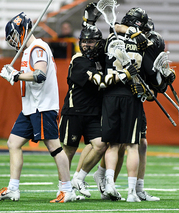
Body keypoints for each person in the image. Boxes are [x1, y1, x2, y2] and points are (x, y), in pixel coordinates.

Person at [0, 12, 77, 203]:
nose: (12, 40)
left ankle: (67, 189)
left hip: (42, 106)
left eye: (14, 34)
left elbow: (40, 74)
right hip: (30, 107)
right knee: (13, 143)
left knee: (54, 147)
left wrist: (16, 75)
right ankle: (13, 189)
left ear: (23, 30)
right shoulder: (29, 49)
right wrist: (16, 73)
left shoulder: (38, 47)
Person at [100, 7, 151, 202]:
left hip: (111, 93)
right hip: (131, 94)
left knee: (112, 145)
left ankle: (110, 185)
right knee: (131, 145)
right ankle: (131, 192)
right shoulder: (143, 43)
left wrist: (122, 30)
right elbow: (148, 70)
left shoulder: (112, 39)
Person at [59, 24, 107, 198]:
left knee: (101, 145)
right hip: (74, 111)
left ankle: (79, 178)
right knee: (68, 151)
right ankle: (63, 189)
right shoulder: (78, 59)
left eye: (91, 41)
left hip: (94, 113)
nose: (87, 44)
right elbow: (97, 80)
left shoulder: (102, 59)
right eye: (84, 41)